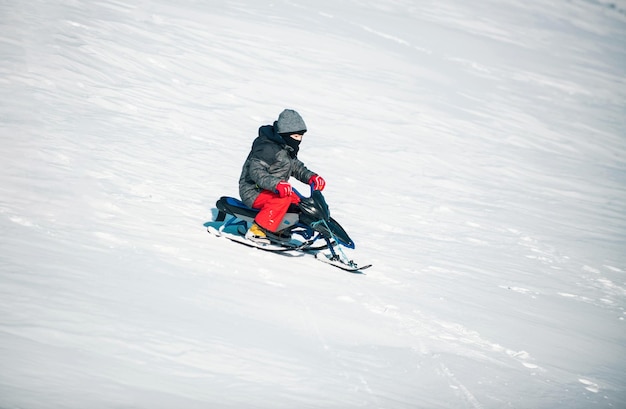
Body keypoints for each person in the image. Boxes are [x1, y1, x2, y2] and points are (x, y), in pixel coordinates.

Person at [238, 109, 326, 244]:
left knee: (299, 202)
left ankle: (280, 228)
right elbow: (256, 172)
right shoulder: (267, 148)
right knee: (282, 200)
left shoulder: (286, 148)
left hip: (273, 189)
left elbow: (296, 167)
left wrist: (311, 177)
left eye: (301, 136)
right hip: (253, 190)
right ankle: (257, 230)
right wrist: (276, 184)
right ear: (286, 134)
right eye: (296, 136)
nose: (299, 140)